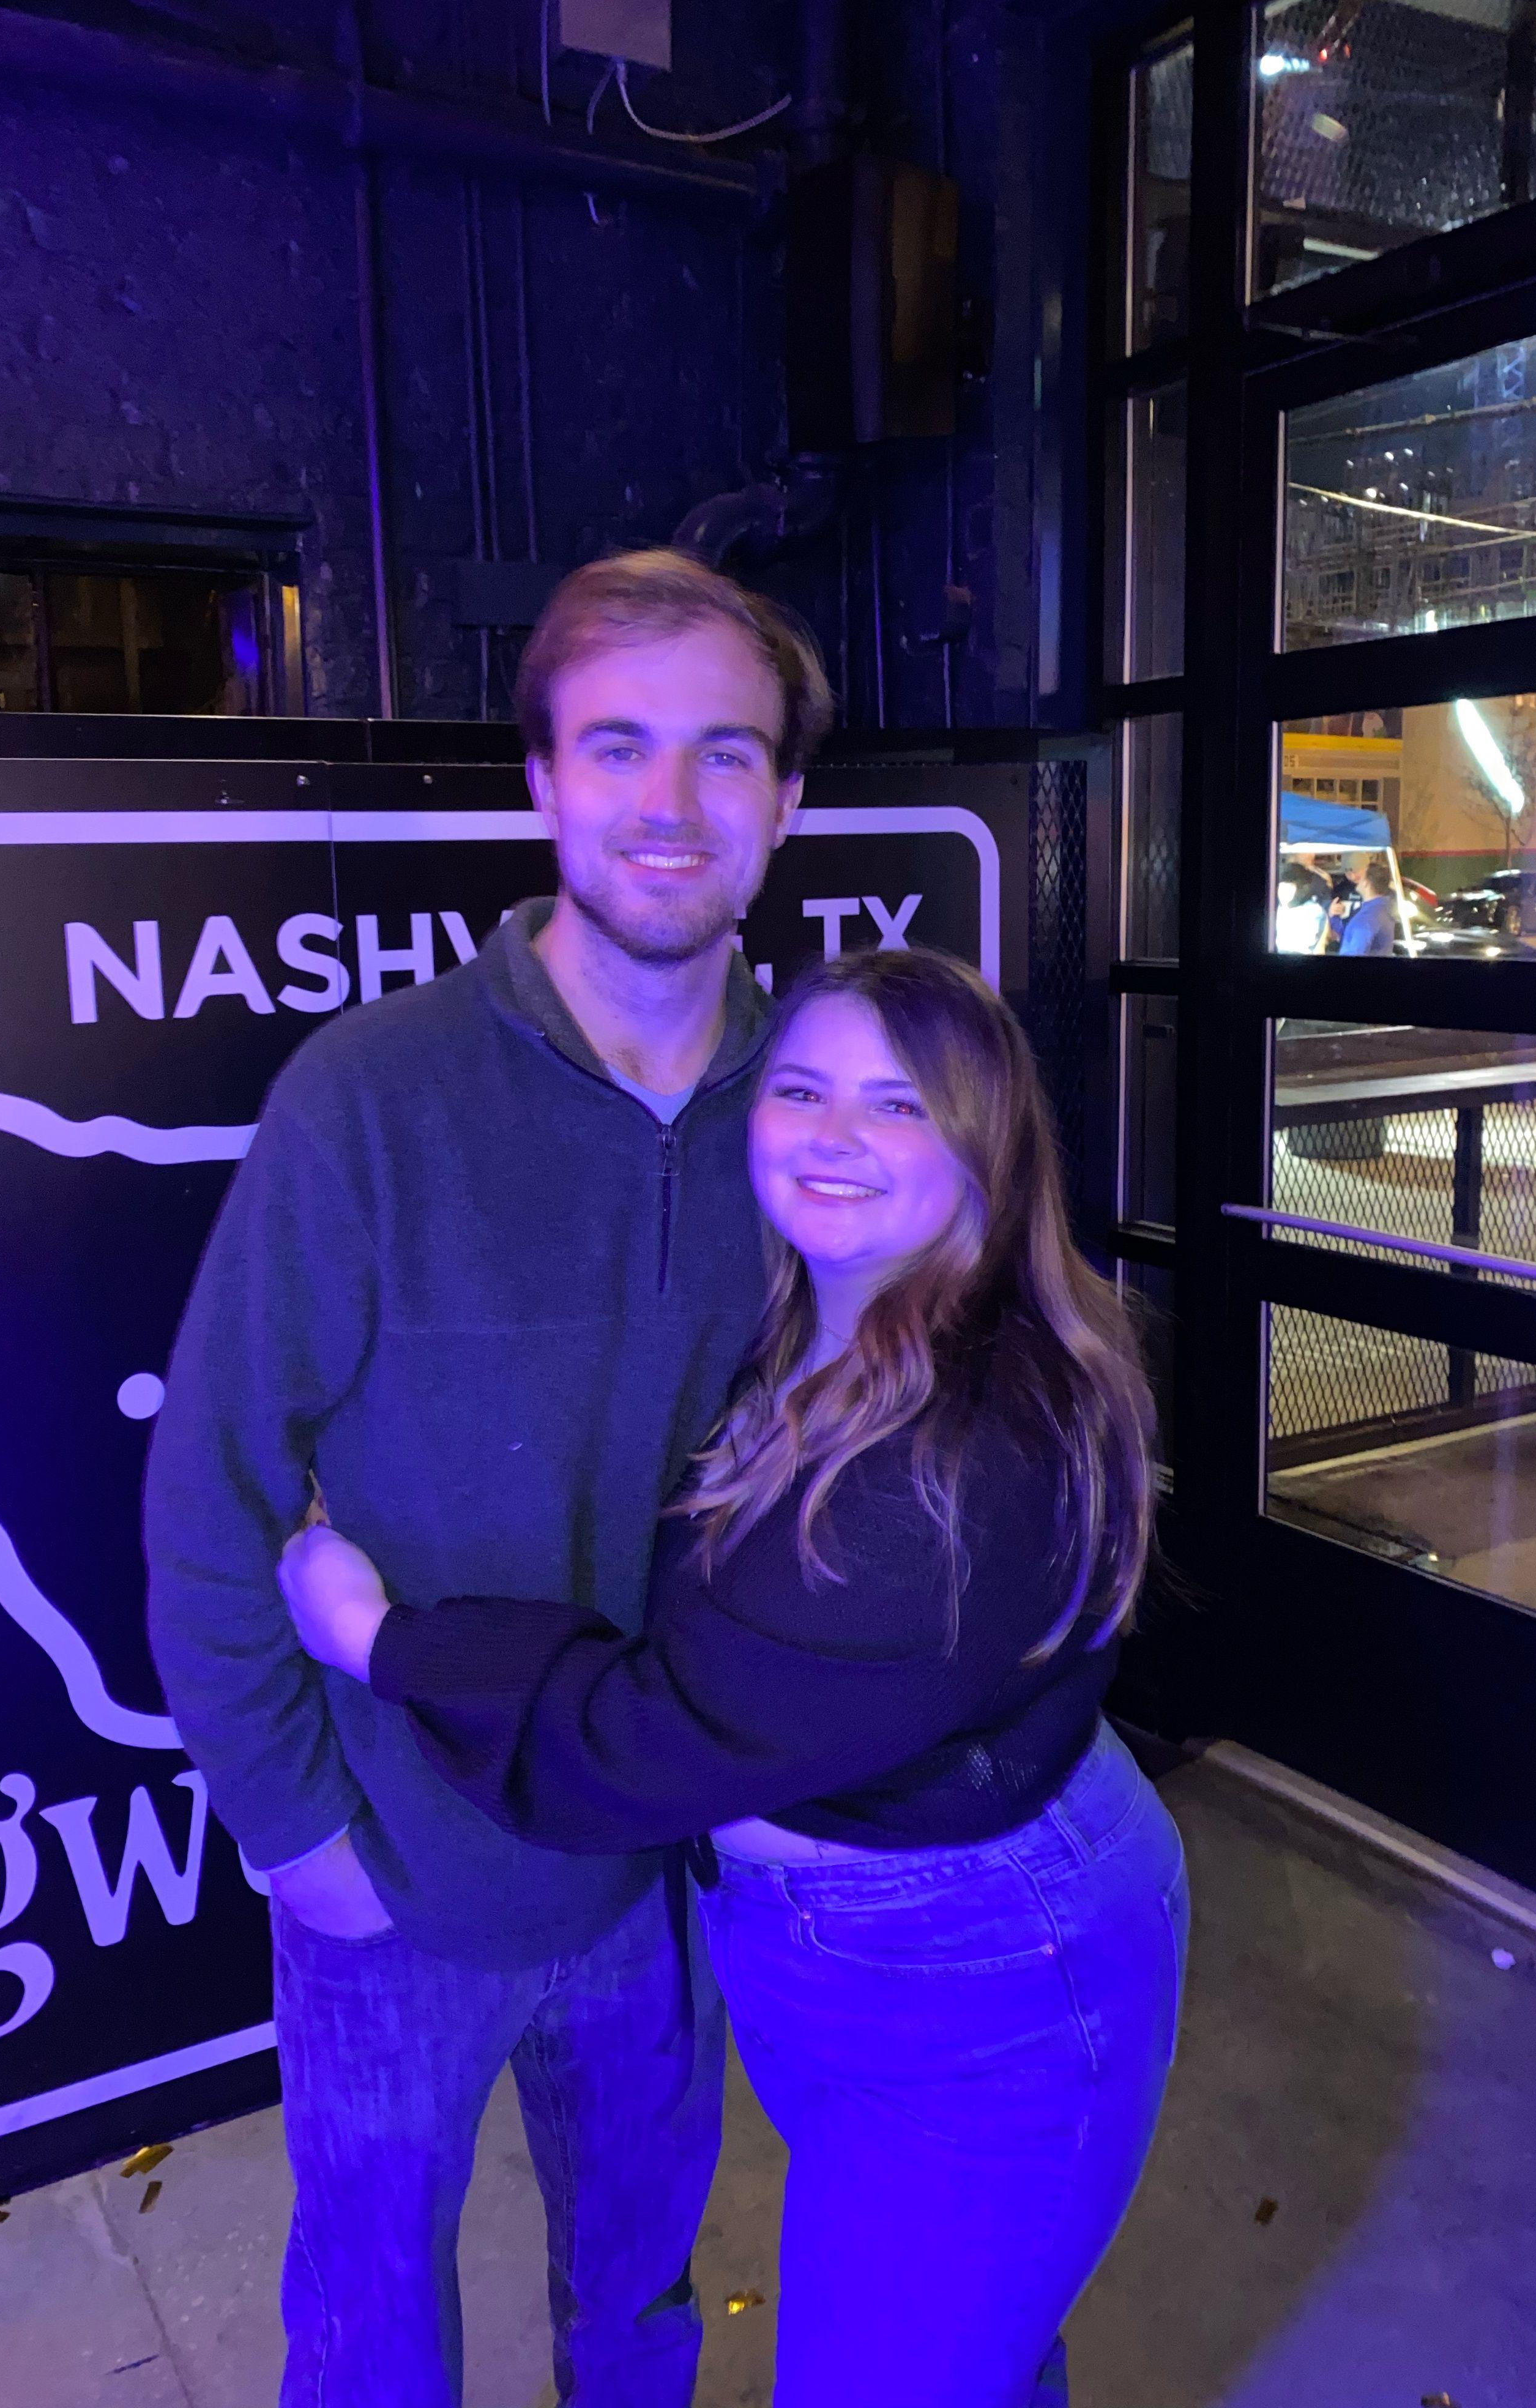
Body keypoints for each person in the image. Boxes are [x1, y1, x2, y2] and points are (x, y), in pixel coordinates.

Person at [280, 947, 1189, 2408]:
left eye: (898, 1106)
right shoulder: (836, 1316)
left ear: (988, 1147)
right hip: (882, 1943)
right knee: (971, 2354)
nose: (834, 1136)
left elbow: (641, 1743)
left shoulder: (953, 1460)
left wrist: (377, 1636)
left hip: (979, 1979)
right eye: (802, 1089)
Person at [144, 547, 832, 2408]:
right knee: (374, 2340)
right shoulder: (371, 1097)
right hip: (399, 1882)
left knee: (639, 2312)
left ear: (786, 800)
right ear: (540, 783)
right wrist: (306, 1849)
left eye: (723, 754)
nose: (669, 806)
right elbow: (210, 1499)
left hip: (658, 1878)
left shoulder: (819, 1121)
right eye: (617, 747)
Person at [1337, 854, 1403, 956]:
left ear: (1367, 882)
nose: (1354, 877)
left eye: (1361, 875)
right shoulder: (1384, 909)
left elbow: (1355, 954)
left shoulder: (1367, 919)